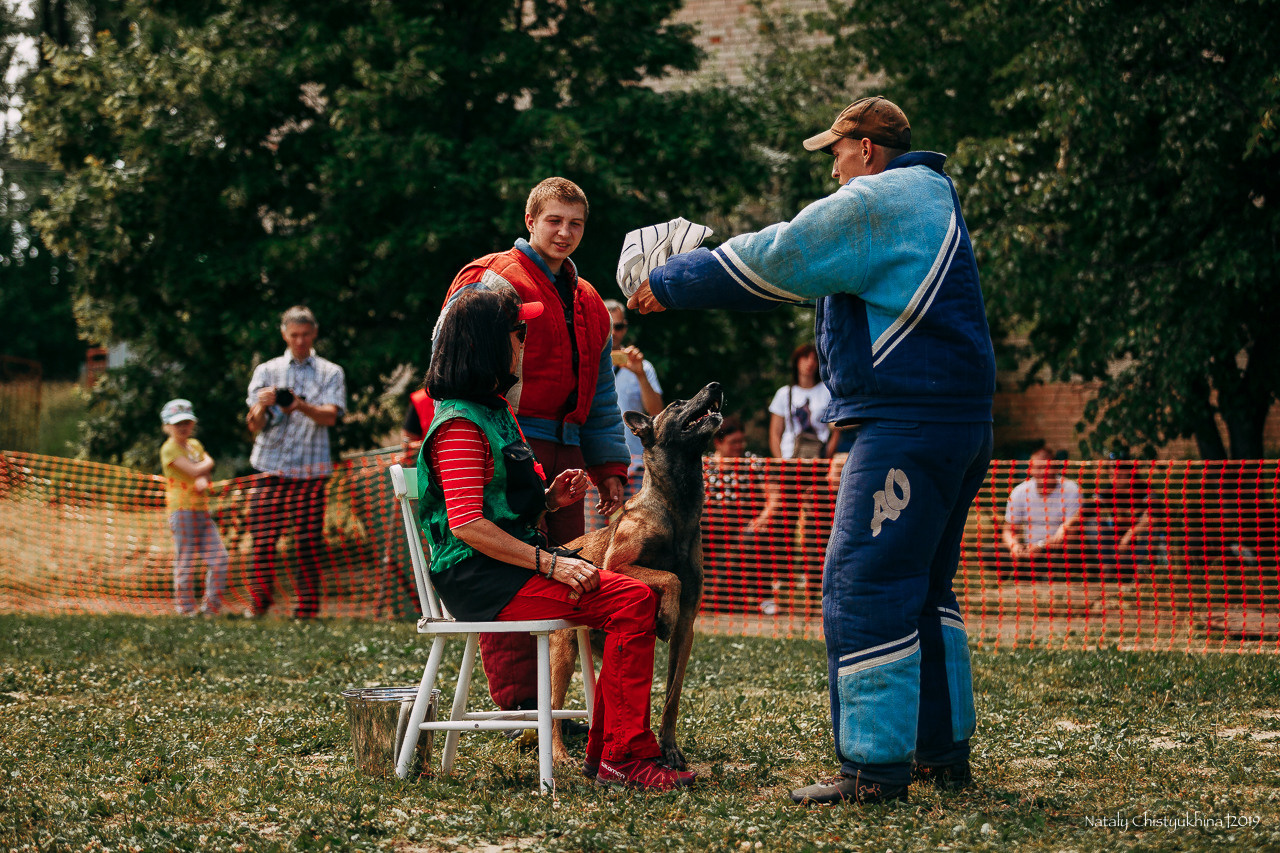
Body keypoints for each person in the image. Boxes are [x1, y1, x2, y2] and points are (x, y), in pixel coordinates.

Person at [628, 95, 996, 805]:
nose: (831, 160)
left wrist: (670, 281)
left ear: (867, 148)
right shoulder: (928, 197)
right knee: (923, 588)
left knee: (864, 585)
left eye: (836, 147)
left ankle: (872, 771)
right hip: (956, 423)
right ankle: (941, 753)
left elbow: (783, 253)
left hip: (906, 425)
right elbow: (812, 274)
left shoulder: (878, 200)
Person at [418, 284, 694, 791]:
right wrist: (551, 564)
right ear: (486, 345)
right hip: (482, 579)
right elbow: (467, 525)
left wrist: (547, 501)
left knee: (635, 597)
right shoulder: (459, 423)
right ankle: (623, 754)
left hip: (507, 566)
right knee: (634, 599)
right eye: (518, 333)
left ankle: (611, 751)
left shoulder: (493, 411)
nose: (526, 343)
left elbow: (495, 507)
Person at [441, 177, 631, 714]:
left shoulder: (591, 300)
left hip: (568, 454)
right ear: (530, 221)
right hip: (506, 446)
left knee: (571, 578)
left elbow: (601, 394)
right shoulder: (493, 277)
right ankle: (522, 710)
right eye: (554, 220)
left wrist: (608, 464)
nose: (565, 232)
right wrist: (480, 440)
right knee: (511, 573)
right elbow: (455, 360)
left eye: (575, 223)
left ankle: (555, 707)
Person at [244, 305, 347, 619]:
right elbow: (252, 424)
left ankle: (306, 610)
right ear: (284, 334)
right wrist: (263, 405)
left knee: (306, 542)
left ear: (314, 333)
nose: (299, 341)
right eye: (294, 335)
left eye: (305, 335)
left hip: (310, 470)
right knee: (262, 540)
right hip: (269, 467)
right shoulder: (266, 370)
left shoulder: (331, 372)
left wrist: (300, 405)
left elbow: (331, 416)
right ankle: (259, 604)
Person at [702, 415, 783, 615]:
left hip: (745, 523)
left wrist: (763, 518)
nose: (739, 446)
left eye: (741, 441)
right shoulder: (702, 465)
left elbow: (774, 497)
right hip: (709, 525)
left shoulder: (753, 462)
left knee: (755, 538)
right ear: (718, 442)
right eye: (733, 442)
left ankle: (764, 597)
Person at [159, 398, 228, 616]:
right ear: (167, 426)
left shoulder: (195, 445)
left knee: (220, 559)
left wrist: (203, 469)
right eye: (177, 423)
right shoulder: (169, 449)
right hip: (182, 510)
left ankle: (210, 608)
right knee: (186, 560)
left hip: (201, 509)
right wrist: (204, 467)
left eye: (187, 422)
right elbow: (197, 469)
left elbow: (204, 469)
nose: (183, 427)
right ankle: (186, 609)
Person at [603, 298, 663, 505]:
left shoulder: (643, 367)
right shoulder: (585, 364)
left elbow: (656, 413)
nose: (613, 333)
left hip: (636, 465)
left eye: (618, 326)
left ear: (625, 328)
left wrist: (640, 376)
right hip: (595, 464)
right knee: (591, 533)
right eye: (607, 326)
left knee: (639, 533)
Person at [1002, 448, 1084, 577]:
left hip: (1058, 548)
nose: (1043, 472)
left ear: (1056, 468)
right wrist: (1015, 546)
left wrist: (1041, 546)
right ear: (1031, 469)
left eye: (1047, 467)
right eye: (1038, 467)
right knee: (990, 552)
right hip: (1027, 547)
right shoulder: (1019, 491)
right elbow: (1008, 529)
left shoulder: (1071, 489)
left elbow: (1072, 530)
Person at [769, 343, 834, 459]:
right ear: (796, 362)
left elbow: (835, 430)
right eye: (805, 358)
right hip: (790, 456)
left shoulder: (827, 392)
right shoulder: (784, 393)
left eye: (815, 359)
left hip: (819, 455)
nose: (810, 363)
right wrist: (780, 463)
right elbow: (775, 432)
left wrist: (826, 458)